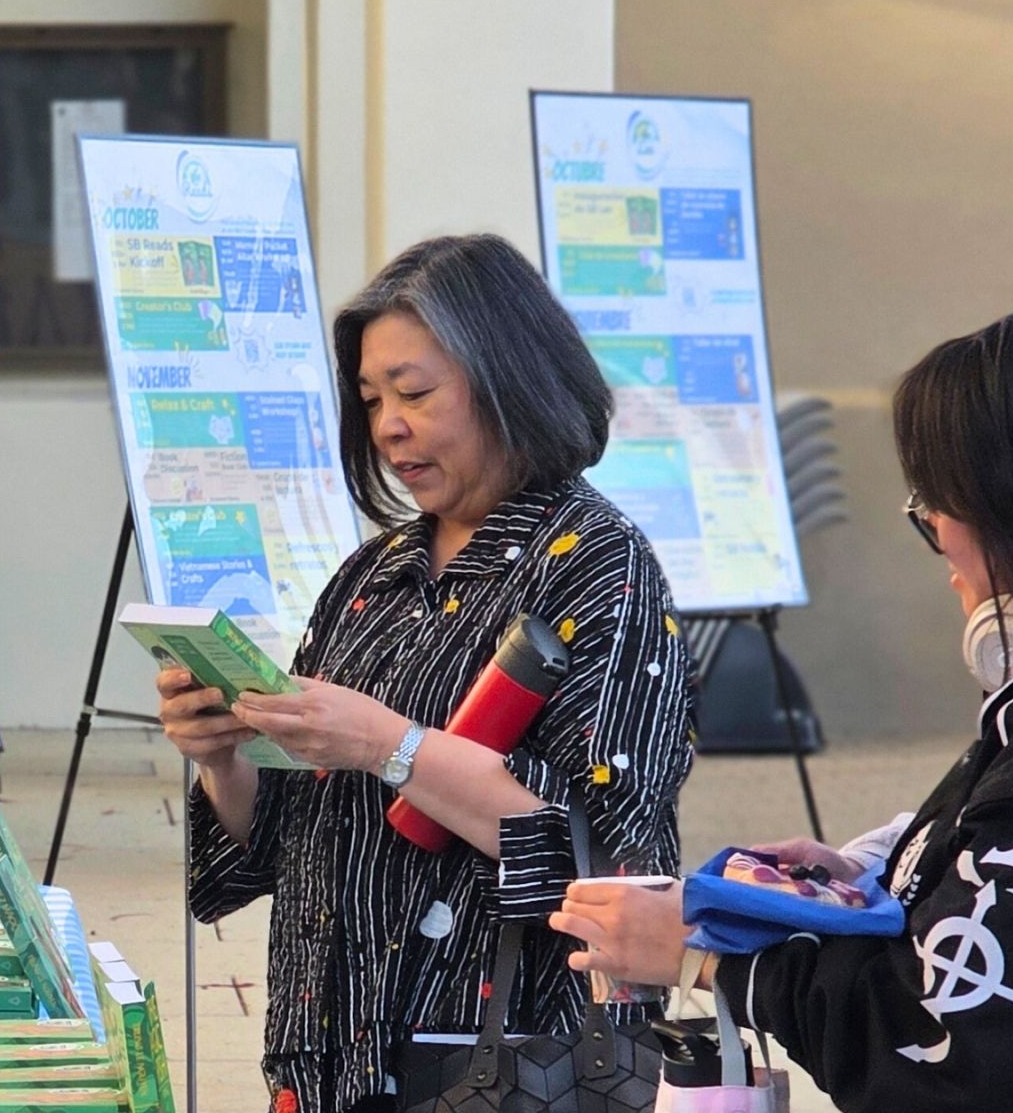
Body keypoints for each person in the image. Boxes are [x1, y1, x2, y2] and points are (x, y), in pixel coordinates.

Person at [557, 299, 1013, 1113]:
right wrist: (888, 864)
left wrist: (702, 958)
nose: (939, 536)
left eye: (939, 511)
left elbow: (944, 1045)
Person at [159, 234, 696, 1111]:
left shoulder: (602, 567)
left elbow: (605, 866)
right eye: (371, 400)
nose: (388, 426)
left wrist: (389, 745)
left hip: (496, 1060)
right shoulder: (371, 575)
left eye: (415, 392)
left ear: (509, 379)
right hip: (325, 1051)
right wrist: (225, 756)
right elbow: (278, 842)